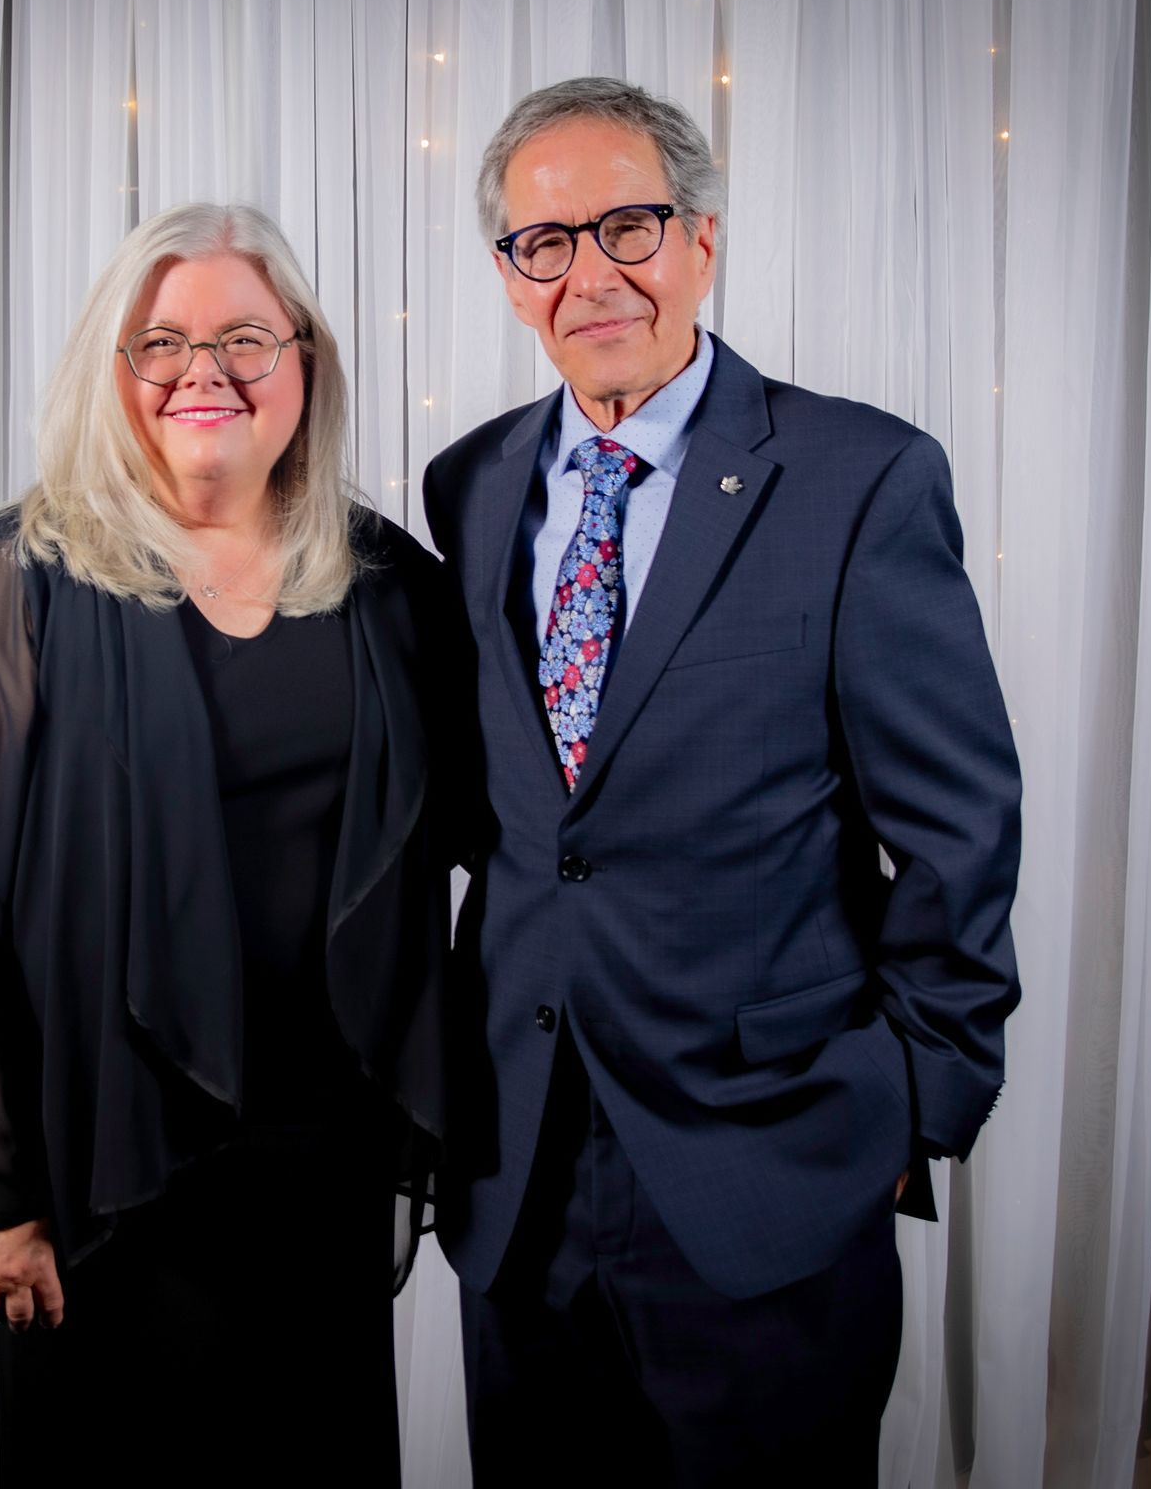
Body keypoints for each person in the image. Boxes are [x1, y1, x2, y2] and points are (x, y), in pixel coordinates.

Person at [422, 76, 1023, 1484]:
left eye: (627, 226)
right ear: (510, 276)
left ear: (700, 237)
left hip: (767, 1169)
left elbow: (957, 833)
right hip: (519, 1164)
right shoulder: (472, 484)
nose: (591, 275)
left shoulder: (857, 474)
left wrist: (911, 1109)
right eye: (544, 243)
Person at [0, 201, 466, 1483]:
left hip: (323, 1169)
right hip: (101, 1172)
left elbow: (512, 825)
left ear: (306, 362)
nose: (207, 371)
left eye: (247, 336)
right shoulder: (25, 577)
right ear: (114, 372)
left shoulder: (388, 585)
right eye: (163, 343)